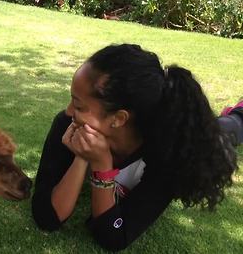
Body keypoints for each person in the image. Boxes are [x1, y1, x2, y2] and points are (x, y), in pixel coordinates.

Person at [31, 44, 240, 251]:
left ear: (118, 118)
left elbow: (114, 237)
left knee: (224, 131)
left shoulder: (169, 150)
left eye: (78, 106)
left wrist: (102, 165)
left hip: (201, 134)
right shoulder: (68, 124)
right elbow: (46, 217)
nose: (68, 111)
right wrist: (81, 157)